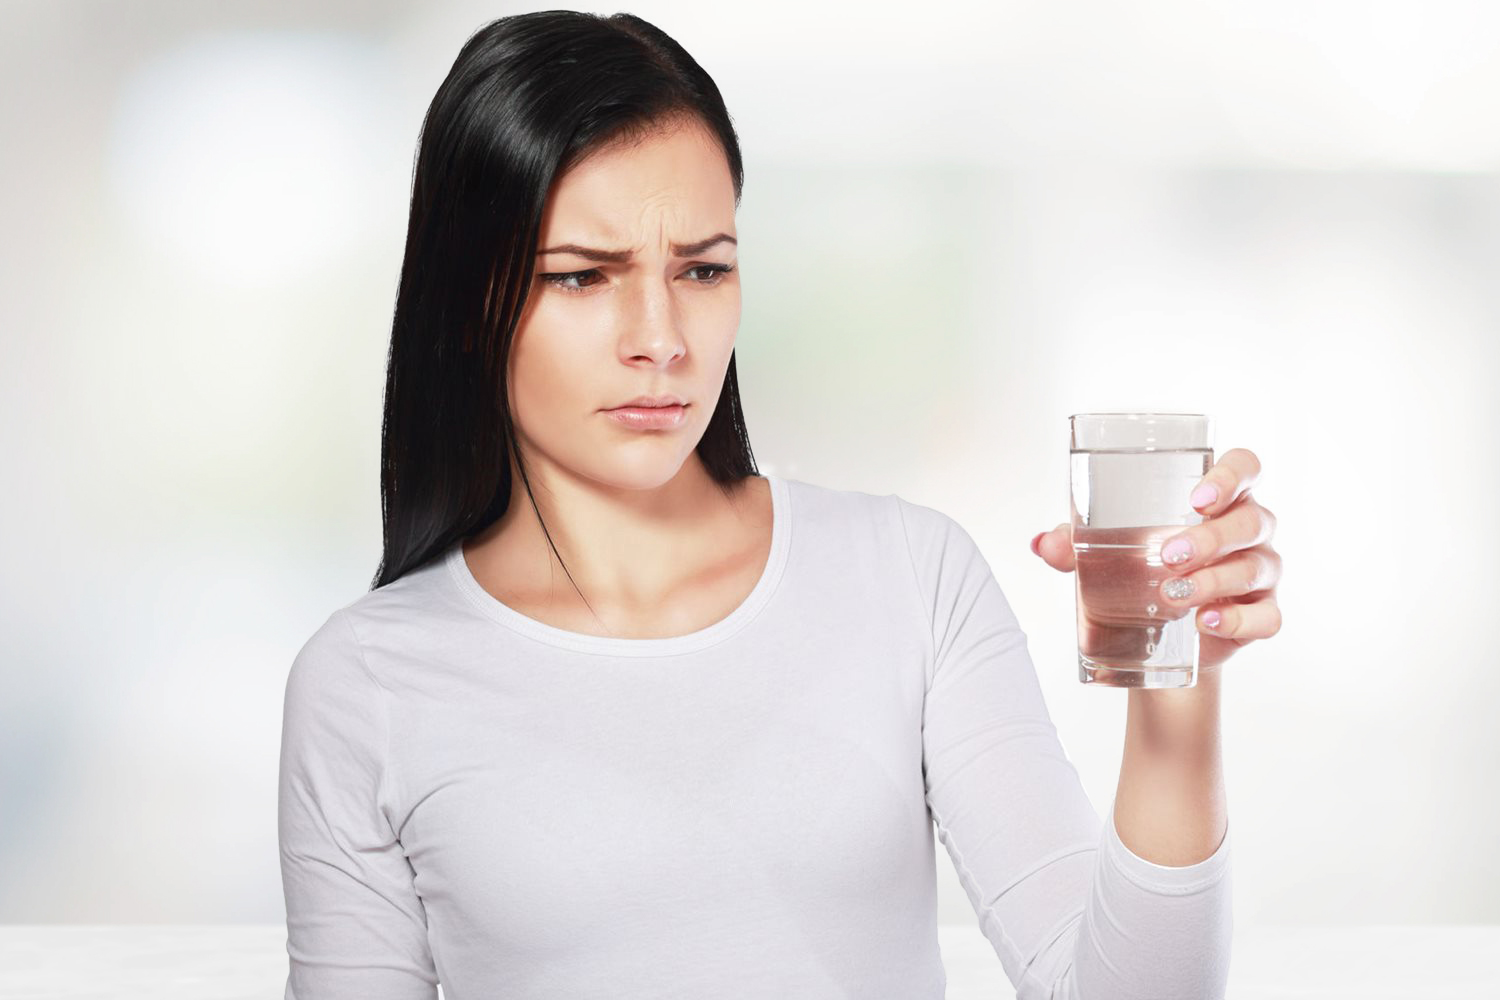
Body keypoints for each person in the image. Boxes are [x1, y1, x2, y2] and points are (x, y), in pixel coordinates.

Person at [277, 10, 1283, 1000]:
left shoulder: (910, 578)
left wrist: (1178, 690)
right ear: (468, 306)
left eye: (703, 268)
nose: (661, 338)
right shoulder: (365, 685)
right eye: (584, 278)